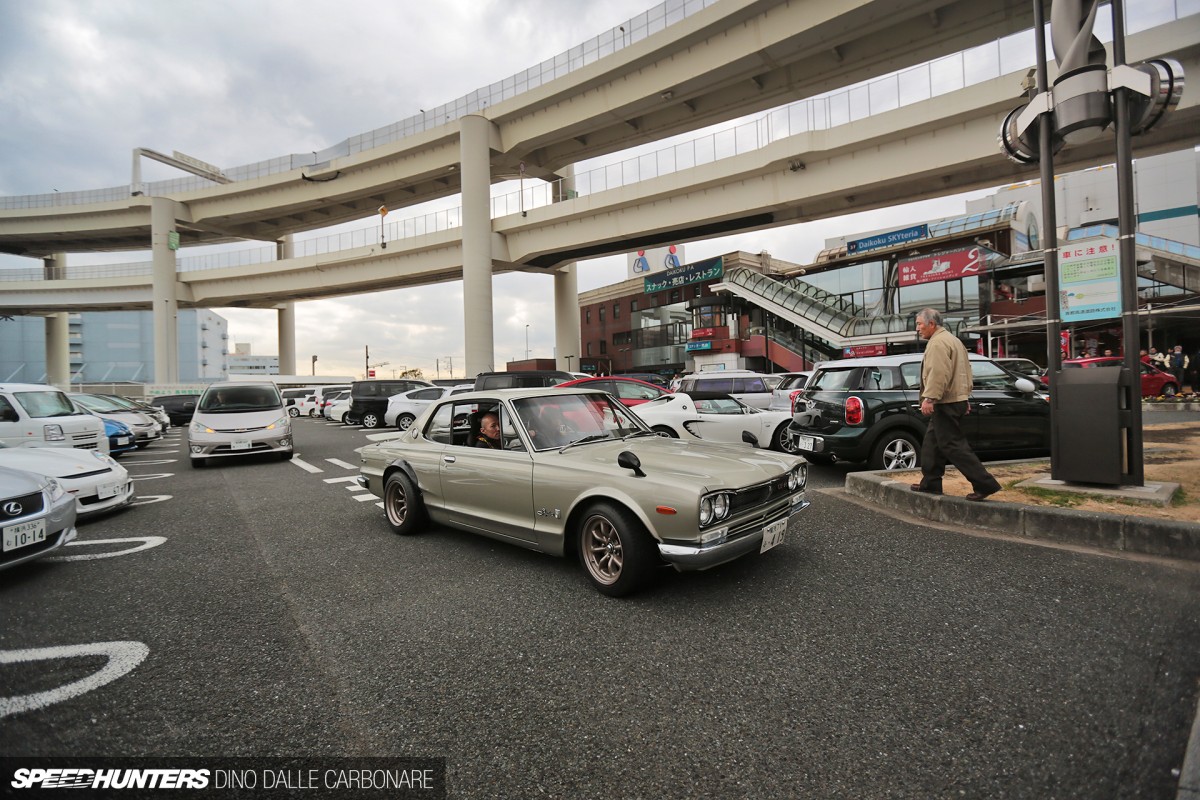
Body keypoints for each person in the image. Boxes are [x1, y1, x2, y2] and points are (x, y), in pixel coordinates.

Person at [911, 308, 1003, 502]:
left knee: (953, 445)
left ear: (931, 324)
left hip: (945, 402)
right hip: (955, 399)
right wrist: (964, 397)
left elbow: (939, 373)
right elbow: (964, 371)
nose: (917, 328)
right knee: (932, 443)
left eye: (919, 324)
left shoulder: (937, 343)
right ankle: (930, 482)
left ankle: (984, 483)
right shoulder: (954, 340)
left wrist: (929, 398)